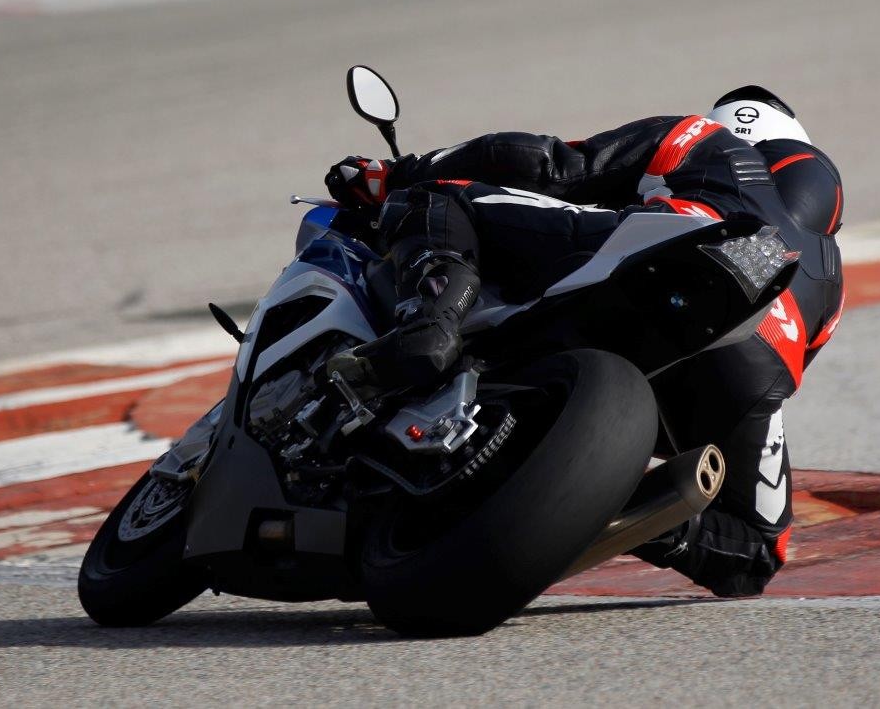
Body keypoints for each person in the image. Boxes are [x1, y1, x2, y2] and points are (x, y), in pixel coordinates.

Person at [324, 85, 844, 597]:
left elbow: (552, 165)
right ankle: (620, 504)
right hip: (759, 361)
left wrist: (397, 172)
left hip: (675, 249)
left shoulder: (706, 139)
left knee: (435, 196)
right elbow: (800, 361)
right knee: (757, 551)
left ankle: (429, 325)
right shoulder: (830, 276)